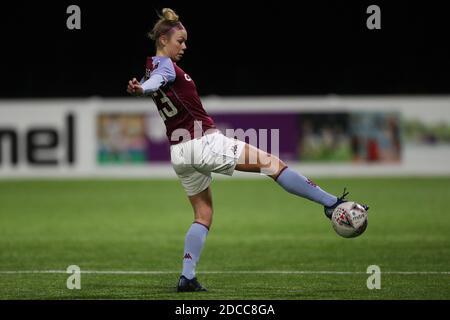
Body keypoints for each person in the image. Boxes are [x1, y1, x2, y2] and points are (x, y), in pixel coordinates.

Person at [127, 8, 368, 292]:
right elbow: (157, 81)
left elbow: (154, 81)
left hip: (180, 153)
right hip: (203, 143)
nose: (184, 46)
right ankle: (332, 203)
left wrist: (143, 86)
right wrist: (143, 89)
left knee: (203, 215)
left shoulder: (152, 66)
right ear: (164, 40)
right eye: (180, 40)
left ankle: (187, 276)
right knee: (273, 165)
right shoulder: (165, 66)